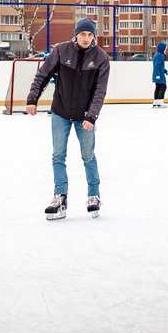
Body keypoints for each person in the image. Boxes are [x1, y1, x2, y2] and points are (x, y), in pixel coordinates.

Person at [26, 17, 110, 220]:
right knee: (58, 156)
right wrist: (32, 99)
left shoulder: (100, 58)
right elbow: (42, 75)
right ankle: (60, 197)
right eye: (83, 34)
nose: (86, 38)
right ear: (76, 34)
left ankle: (93, 196)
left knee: (88, 156)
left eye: (90, 35)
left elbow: (100, 92)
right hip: (60, 113)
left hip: (85, 117)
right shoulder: (61, 51)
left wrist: (92, 116)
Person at [152, 41, 168, 108]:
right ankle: (160, 102)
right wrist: (158, 74)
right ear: (162, 48)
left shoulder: (156, 54)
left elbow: (160, 66)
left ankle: (155, 102)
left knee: (158, 87)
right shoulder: (160, 55)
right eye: (165, 48)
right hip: (159, 75)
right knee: (163, 87)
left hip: (158, 74)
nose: (165, 50)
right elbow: (156, 65)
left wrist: (165, 71)